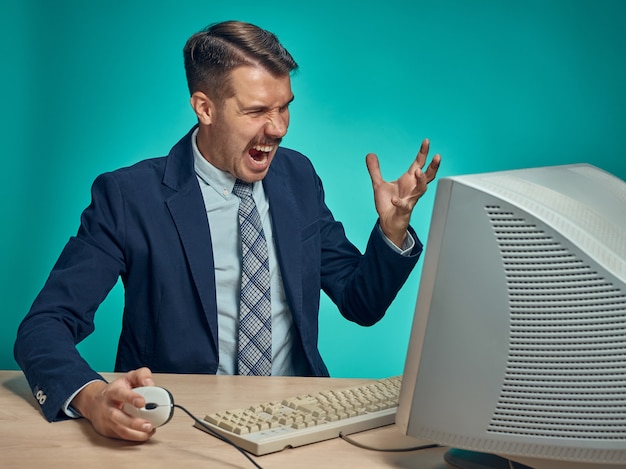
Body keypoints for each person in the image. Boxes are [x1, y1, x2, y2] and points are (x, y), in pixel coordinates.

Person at [14, 20, 441, 442]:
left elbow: (360, 302)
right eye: (256, 111)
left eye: (284, 106)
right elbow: (44, 326)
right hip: (179, 426)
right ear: (205, 108)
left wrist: (392, 230)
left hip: (301, 420)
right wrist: (91, 398)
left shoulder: (298, 177)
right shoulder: (128, 197)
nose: (278, 128)